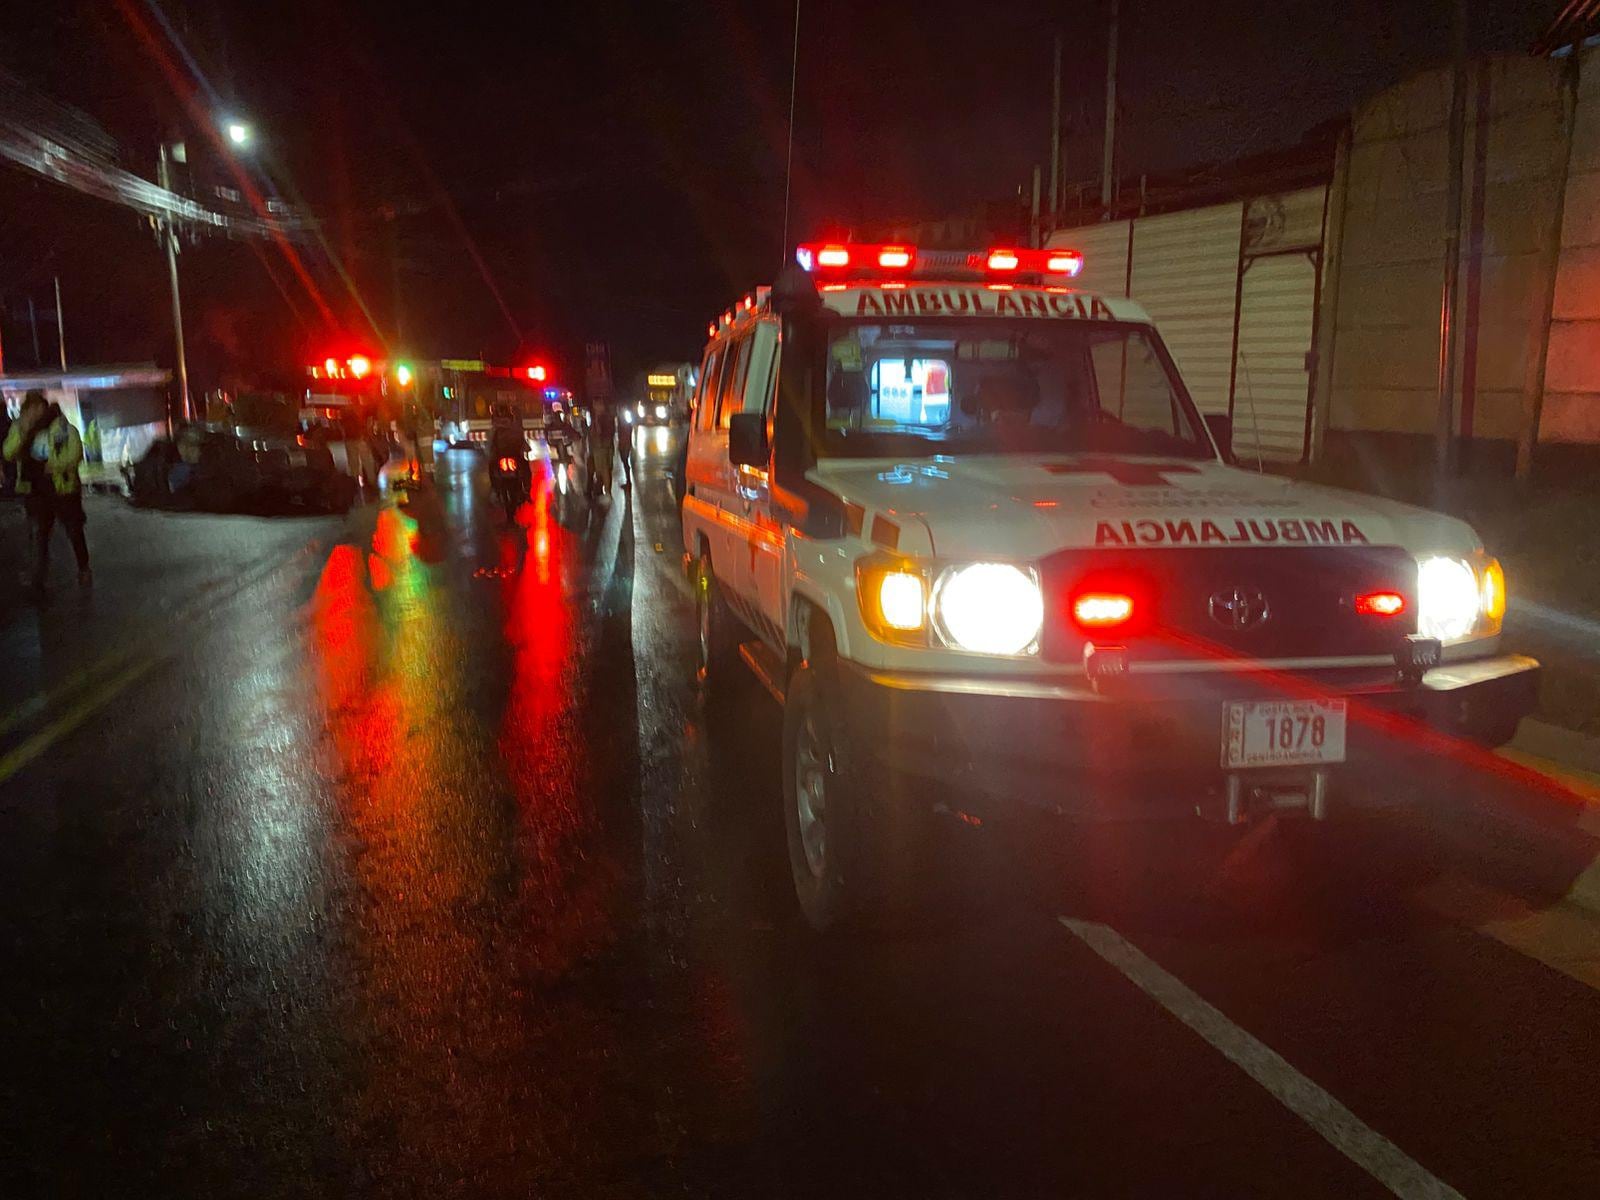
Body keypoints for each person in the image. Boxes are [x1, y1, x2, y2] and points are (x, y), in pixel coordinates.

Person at [3, 390, 90, 592]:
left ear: (43, 408)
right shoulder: (20, 428)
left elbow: (76, 453)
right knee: (40, 535)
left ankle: (83, 568)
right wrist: (22, 432)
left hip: (62, 489)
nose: (34, 413)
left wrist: (55, 466)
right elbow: (8, 453)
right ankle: (39, 577)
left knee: (74, 530)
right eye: (30, 410)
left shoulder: (61, 427)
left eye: (37, 408)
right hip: (35, 489)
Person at [615, 407, 635, 490]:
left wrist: (623, 443)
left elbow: (626, 431)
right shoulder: (622, 418)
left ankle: (628, 481)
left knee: (625, 461)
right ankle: (628, 481)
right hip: (624, 442)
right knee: (625, 462)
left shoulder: (623, 419)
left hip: (625, 443)